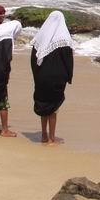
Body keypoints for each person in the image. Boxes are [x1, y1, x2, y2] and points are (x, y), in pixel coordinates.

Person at [30, 11, 74, 144]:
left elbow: (33, 60)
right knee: (53, 109)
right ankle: (52, 138)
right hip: (56, 79)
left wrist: (36, 76)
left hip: (41, 78)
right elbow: (68, 62)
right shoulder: (64, 39)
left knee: (43, 106)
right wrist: (68, 78)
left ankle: (44, 135)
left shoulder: (39, 38)